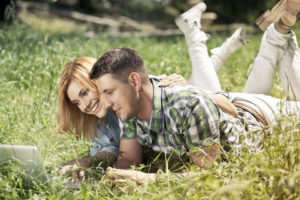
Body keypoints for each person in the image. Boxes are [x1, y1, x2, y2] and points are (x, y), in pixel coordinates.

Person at [89, 1, 300, 183]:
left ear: (134, 81)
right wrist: (116, 177)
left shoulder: (188, 106)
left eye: (109, 92)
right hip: (233, 105)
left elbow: (209, 174)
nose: (106, 103)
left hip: (267, 117)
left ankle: (280, 30)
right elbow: (127, 160)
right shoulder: (129, 107)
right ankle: (280, 30)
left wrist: (148, 179)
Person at [56, 27, 242, 180]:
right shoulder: (121, 111)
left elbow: (226, 108)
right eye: (76, 102)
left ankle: (202, 41)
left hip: (238, 108)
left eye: (85, 92)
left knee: (205, 87)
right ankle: (215, 48)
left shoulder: (151, 93)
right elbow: (122, 155)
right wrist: (117, 176)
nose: (84, 105)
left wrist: (191, 90)